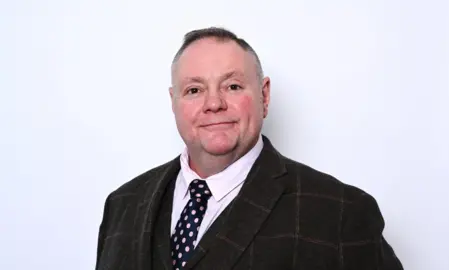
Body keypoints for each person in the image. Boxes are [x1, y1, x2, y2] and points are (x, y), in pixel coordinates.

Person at [95, 27, 403, 270]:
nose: (214, 103)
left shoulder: (340, 213)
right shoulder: (122, 204)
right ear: (174, 102)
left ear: (264, 96)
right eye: (194, 90)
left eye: (233, 86)